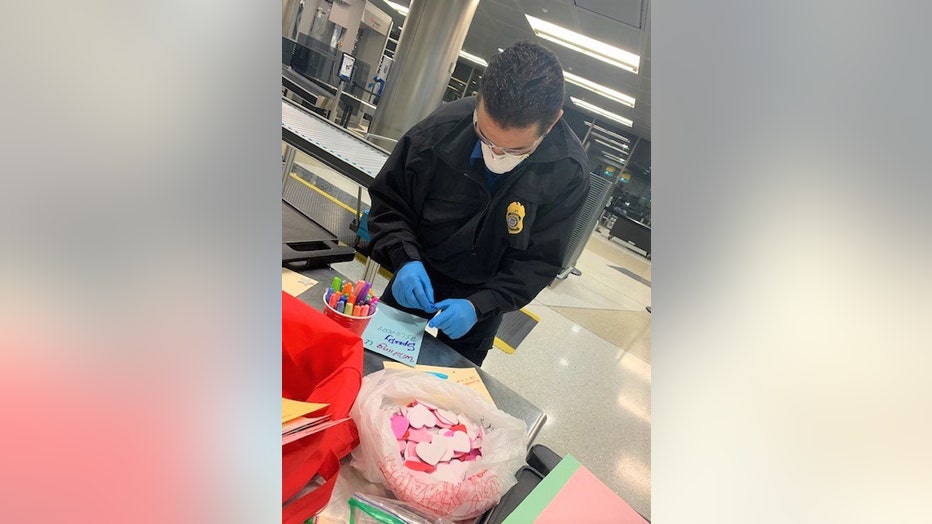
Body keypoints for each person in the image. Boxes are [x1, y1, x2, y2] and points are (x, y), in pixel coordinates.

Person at [366, 41, 590, 366]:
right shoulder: (438, 131)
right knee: (372, 373)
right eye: (484, 137)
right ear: (480, 97)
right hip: (415, 277)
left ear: (552, 122)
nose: (495, 155)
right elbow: (391, 202)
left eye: (514, 150)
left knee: (446, 405)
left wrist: (480, 306)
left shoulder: (567, 173)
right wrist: (403, 257)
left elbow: (539, 261)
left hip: (480, 304)